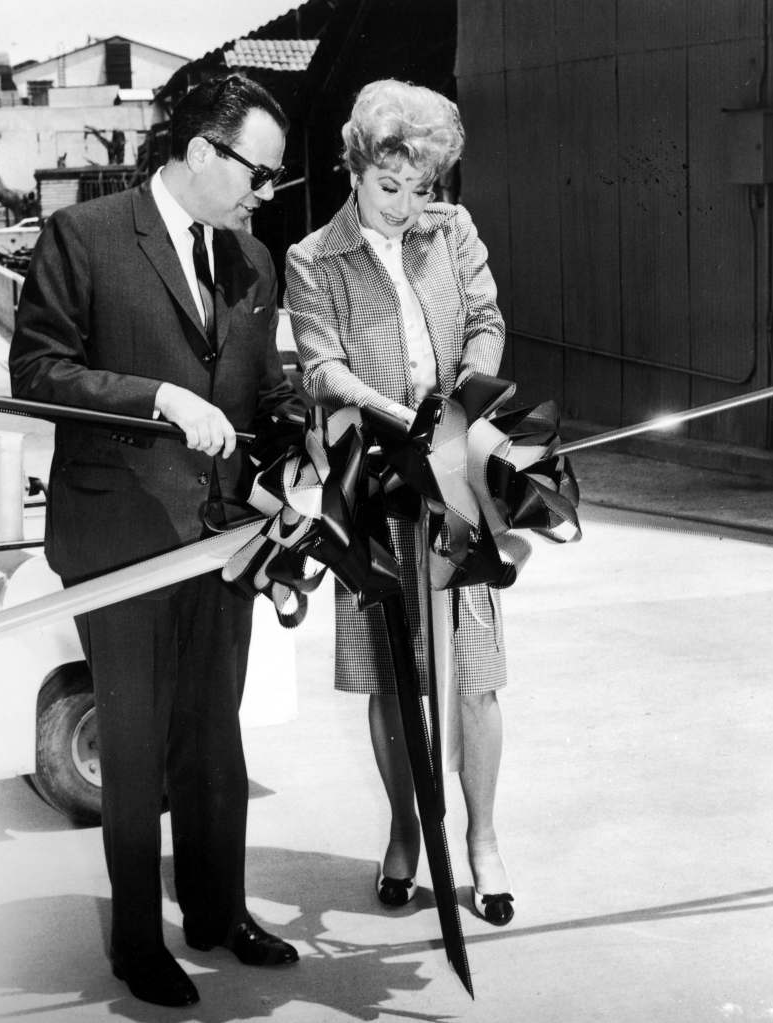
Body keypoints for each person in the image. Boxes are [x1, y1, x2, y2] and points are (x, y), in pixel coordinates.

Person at [10, 73, 305, 1008]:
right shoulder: (86, 237)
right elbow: (37, 370)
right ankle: (138, 939)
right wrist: (156, 398)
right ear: (203, 152)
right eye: (257, 173)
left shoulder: (254, 260)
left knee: (215, 738)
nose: (265, 193)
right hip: (121, 537)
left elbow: (267, 392)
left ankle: (220, 912)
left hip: (224, 539)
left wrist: (299, 445)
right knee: (132, 748)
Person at [285, 79, 514, 927]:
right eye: (391, 187)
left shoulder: (449, 231)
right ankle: (407, 828)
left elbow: (486, 317)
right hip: (374, 485)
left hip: (453, 473)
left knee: (475, 676)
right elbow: (321, 368)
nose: (405, 206)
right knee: (393, 676)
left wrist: (460, 400)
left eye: (421, 188)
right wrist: (396, 415)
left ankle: (484, 839)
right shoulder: (315, 257)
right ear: (357, 167)